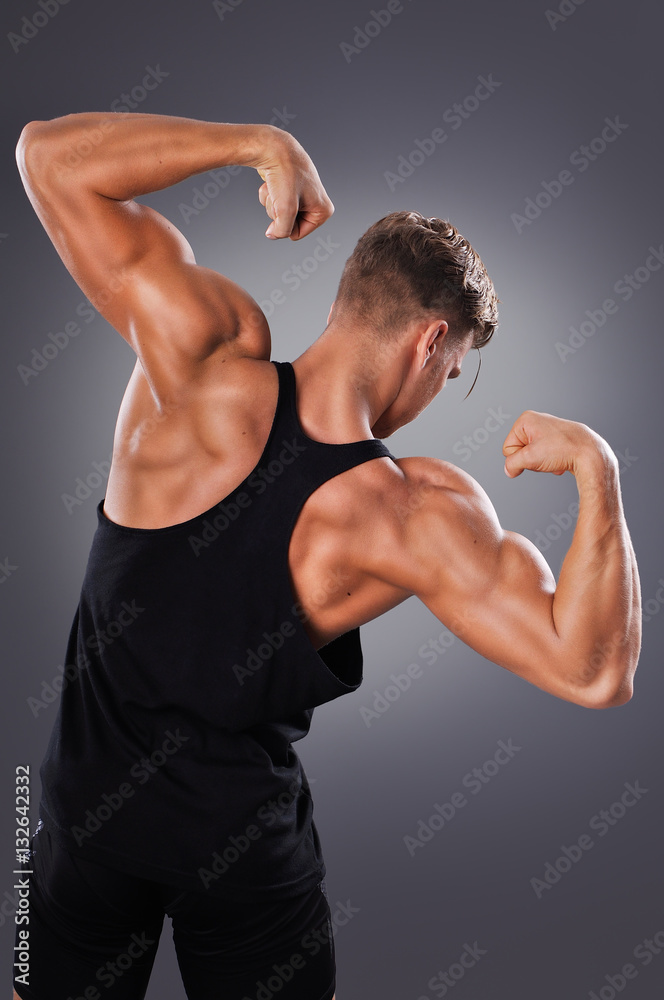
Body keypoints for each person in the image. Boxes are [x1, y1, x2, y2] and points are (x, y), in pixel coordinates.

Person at [13, 112, 641, 1000]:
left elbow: (46, 157)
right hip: (241, 862)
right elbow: (594, 669)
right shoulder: (414, 512)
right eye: (454, 369)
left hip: (83, 831)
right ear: (429, 342)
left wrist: (259, 144)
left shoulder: (196, 357)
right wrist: (598, 472)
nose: (438, 391)